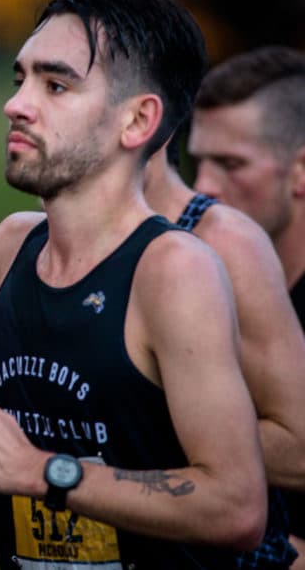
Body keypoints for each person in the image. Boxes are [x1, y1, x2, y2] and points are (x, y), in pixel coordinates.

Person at [0, 0, 268, 569]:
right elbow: (79, 463)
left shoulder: (173, 270)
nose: (16, 104)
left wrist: (40, 470)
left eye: (56, 84)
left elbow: (236, 508)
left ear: (138, 121)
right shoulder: (13, 247)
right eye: (20, 79)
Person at [189, 45, 305, 568]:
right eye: (199, 161)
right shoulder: (202, 288)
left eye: (231, 164)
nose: (204, 187)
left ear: (301, 170)